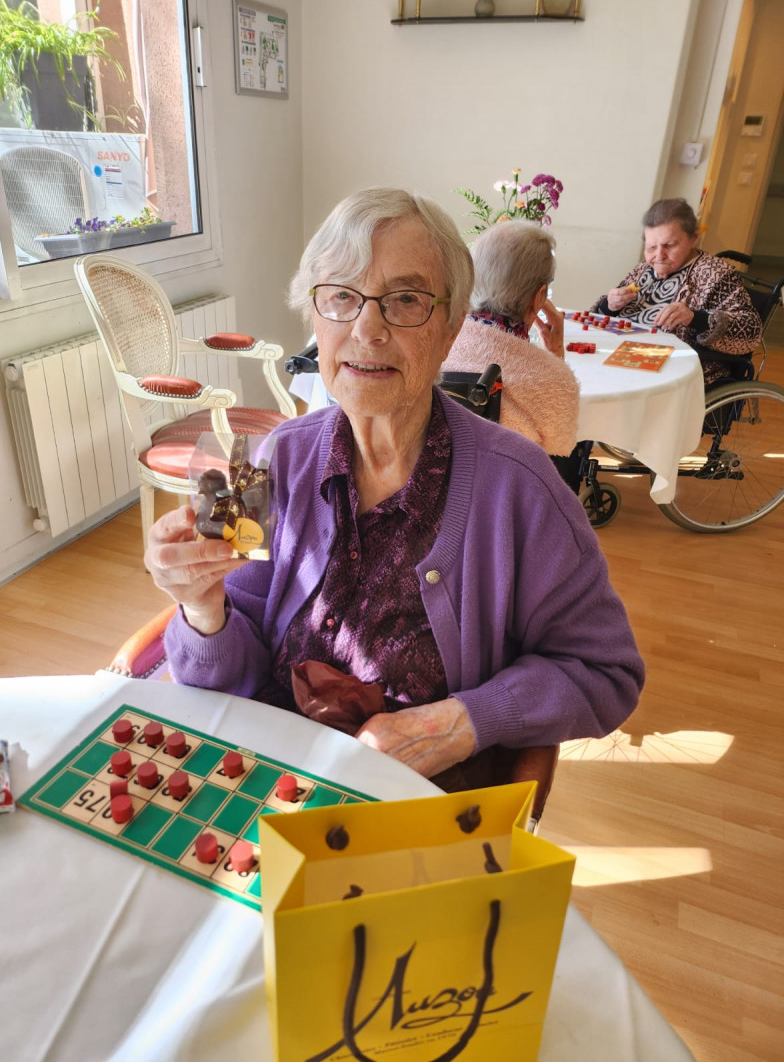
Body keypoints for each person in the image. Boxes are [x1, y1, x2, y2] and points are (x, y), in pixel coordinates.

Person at [144, 187, 644, 792]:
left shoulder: (523, 486)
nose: (367, 329)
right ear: (314, 316)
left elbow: (606, 672)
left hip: (419, 797)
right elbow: (225, 669)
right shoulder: (265, 459)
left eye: (406, 299)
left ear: (453, 327)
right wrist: (201, 607)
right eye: (340, 296)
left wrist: (458, 724)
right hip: (268, 779)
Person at [591, 197, 762, 388]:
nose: (659, 255)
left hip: (673, 371)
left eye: (669, 245)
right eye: (651, 247)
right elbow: (599, 318)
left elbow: (751, 331)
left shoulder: (716, 275)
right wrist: (609, 305)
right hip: (619, 357)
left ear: (694, 238)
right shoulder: (642, 270)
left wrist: (695, 317)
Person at [442, 220, 579, 457]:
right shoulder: (554, 380)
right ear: (539, 297)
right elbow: (562, 451)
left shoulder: (436, 343)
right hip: (508, 480)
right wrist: (556, 356)